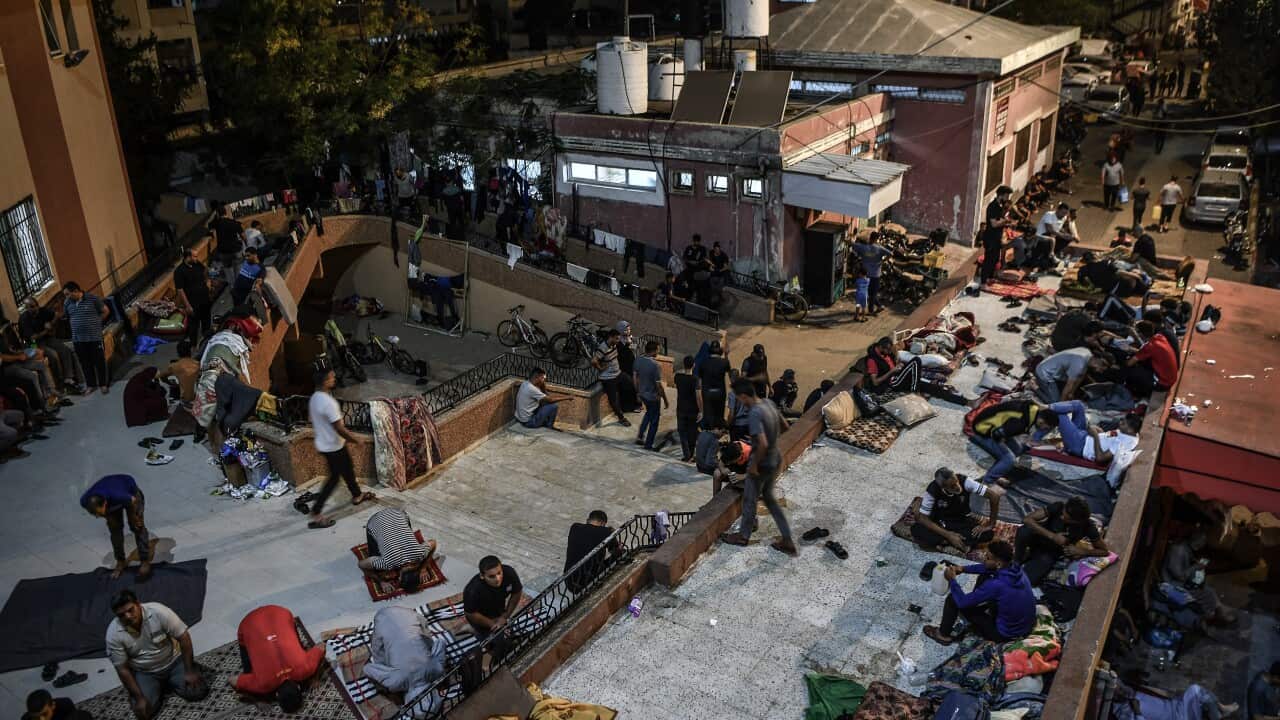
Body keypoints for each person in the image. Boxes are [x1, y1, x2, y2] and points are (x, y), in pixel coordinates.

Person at [719, 379, 796, 555]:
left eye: (739, 398)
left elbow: (761, 443)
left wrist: (753, 465)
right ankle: (787, 539)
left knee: (749, 498)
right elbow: (785, 426)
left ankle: (743, 535)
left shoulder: (754, 413)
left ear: (744, 396)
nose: (739, 402)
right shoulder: (768, 403)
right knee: (769, 499)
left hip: (762, 462)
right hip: (775, 457)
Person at [106, 590, 207, 719]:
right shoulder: (113, 634)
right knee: (145, 711)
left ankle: (172, 681)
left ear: (138, 604)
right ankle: (158, 687)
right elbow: (122, 669)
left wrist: (189, 670)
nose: (128, 617)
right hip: (144, 671)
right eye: (121, 615)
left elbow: (184, 637)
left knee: (198, 692)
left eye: (130, 610)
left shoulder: (159, 611)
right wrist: (139, 698)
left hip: (173, 661)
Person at [923, 540, 1036, 645]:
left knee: (953, 600)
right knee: (985, 575)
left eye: (987, 557)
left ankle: (943, 635)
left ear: (998, 563)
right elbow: (987, 567)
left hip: (1005, 634)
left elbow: (962, 602)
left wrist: (952, 580)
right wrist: (963, 569)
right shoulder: (1016, 568)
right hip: (1023, 625)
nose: (983, 558)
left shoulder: (996, 584)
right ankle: (976, 603)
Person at [306, 369, 375, 529]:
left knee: (347, 468)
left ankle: (357, 495)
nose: (334, 378)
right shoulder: (329, 403)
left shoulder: (314, 398)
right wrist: (356, 439)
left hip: (327, 443)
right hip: (333, 446)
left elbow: (310, 419)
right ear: (324, 381)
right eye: (331, 377)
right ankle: (316, 512)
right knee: (334, 478)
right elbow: (340, 428)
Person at [232, 605, 325, 711]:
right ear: (276, 695)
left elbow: (321, 646)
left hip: (280, 613)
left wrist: (314, 678)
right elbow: (232, 680)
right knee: (248, 673)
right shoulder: (262, 684)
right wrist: (257, 700)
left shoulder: (305, 668)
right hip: (249, 623)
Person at [364, 606, 447, 718]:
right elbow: (368, 668)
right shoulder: (396, 683)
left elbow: (440, 643)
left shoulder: (436, 670)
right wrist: (385, 670)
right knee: (382, 658)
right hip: (382, 618)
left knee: (422, 640)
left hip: (409, 613)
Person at [1015, 496, 1110, 585]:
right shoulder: (1058, 507)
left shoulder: (1088, 527)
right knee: (1024, 530)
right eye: (1062, 514)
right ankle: (1017, 559)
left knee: (1026, 581)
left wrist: (1082, 551)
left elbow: (1104, 551)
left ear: (1077, 521)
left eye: (1066, 518)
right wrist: (1052, 536)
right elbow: (1027, 519)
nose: (1061, 517)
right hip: (1038, 538)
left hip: (1050, 552)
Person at [910, 467, 1004, 551]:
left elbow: (994, 496)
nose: (957, 487)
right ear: (943, 487)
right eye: (952, 486)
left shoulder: (965, 481)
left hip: (960, 520)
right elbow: (923, 518)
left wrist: (991, 524)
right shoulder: (932, 490)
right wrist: (948, 535)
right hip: (940, 522)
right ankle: (953, 540)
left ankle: (944, 542)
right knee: (916, 529)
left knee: (988, 534)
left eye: (956, 482)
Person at [81, 474, 153, 580]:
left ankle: (145, 561)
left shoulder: (119, 495)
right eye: (94, 514)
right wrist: (107, 518)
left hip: (131, 494)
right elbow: (99, 511)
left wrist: (135, 518)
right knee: (115, 531)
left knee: (137, 527)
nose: (97, 517)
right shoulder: (84, 501)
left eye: (99, 514)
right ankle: (120, 561)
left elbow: (132, 501)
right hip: (111, 496)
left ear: (105, 504)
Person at [863, 336, 969, 405]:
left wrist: (897, 362)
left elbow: (894, 354)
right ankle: (915, 391)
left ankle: (965, 402)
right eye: (887, 350)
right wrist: (892, 371)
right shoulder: (872, 360)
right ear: (881, 347)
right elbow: (875, 382)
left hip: (898, 375)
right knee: (916, 361)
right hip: (892, 383)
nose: (889, 352)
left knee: (932, 387)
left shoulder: (886, 352)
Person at [1162, 530, 1236, 625]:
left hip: (1181, 582)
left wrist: (1197, 564)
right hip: (1171, 585)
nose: (1203, 545)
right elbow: (1179, 576)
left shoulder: (1186, 548)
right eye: (1202, 542)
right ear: (1197, 540)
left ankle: (1216, 612)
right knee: (1204, 594)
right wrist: (1195, 567)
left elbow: (1187, 566)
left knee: (1208, 590)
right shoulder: (1178, 550)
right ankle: (1209, 617)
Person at [1034, 401, 1141, 466]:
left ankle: (1035, 438)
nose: (1120, 423)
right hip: (1085, 436)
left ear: (1130, 430)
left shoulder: (1124, 442)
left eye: (1123, 423)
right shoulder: (1127, 433)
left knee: (1060, 416)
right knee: (1078, 405)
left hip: (1080, 446)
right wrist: (1099, 432)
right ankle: (1047, 407)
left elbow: (1100, 458)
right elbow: (1109, 436)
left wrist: (1095, 436)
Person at [358, 508, 438, 587]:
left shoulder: (420, 554)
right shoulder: (387, 564)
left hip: (398, 512)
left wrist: (423, 568)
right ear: (399, 577)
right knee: (377, 568)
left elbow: (433, 542)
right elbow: (361, 564)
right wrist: (381, 581)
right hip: (375, 521)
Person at [18, 298, 83, 393]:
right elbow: (33, 337)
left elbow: (56, 315)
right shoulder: (24, 319)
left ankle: (68, 378)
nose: (34, 309)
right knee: (53, 355)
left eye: (35, 306)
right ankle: (60, 384)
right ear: (26, 308)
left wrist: (51, 323)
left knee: (65, 350)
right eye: (30, 307)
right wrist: (46, 330)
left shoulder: (43, 311)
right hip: (33, 344)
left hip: (47, 338)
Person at [970, 398, 1042, 483]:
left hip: (987, 425)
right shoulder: (1021, 421)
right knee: (1009, 459)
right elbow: (997, 434)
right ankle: (987, 481)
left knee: (1017, 449)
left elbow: (1008, 429)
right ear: (1042, 421)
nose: (1042, 429)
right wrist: (1003, 444)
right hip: (982, 431)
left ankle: (999, 469)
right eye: (1046, 428)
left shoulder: (1032, 409)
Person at [62, 282, 111, 394]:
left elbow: (106, 311)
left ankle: (103, 384)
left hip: (94, 337)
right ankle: (91, 385)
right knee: (85, 363)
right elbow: (67, 316)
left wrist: (97, 322)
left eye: (67, 294)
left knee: (99, 362)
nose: (66, 297)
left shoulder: (92, 298)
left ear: (75, 291)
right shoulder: (67, 303)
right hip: (78, 339)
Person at [463, 556, 524, 638]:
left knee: (511, 636)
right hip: (480, 617)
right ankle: (474, 630)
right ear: (482, 576)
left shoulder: (509, 572)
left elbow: (517, 592)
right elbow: (470, 613)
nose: (497, 579)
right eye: (491, 576)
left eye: (499, 573)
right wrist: (492, 624)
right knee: (495, 643)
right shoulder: (472, 589)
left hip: (498, 610)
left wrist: (505, 616)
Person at [563, 510, 620, 593]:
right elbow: (615, 551)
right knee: (622, 554)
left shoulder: (575, 527)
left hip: (570, 580)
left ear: (588, 520)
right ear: (602, 523)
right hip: (587, 579)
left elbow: (590, 534)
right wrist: (612, 534)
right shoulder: (606, 532)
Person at [173, 248, 213, 346]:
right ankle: (193, 346)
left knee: (206, 322)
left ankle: (207, 343)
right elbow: (180, 290)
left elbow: (205, 272)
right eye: (194, 256)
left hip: (204, 300)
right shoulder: (179, 271)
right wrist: (187, 306)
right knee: (193, 327)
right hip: (193, 303)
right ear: (188, 257)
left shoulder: (197, 264)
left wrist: (208, 283)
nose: (197, 258)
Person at [1126, 320, 1178, 395]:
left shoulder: (1150, 346)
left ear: (1140, 333)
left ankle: (1137, 393)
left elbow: (1129, 363)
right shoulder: (1160, 337)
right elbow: (1143, 349)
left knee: (1131, 372)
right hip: (1170, 379)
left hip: (1163, 384)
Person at [591, 329, 630, 427]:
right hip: (608, 378)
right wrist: (600, 368)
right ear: (611, 337)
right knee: (613, 400)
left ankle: (628, 405)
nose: (618, 341)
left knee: (630, 382)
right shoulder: (603, 348)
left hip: (618, 374)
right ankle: (621, 418)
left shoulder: (614, 344)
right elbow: (594, 361)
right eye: (616, 339)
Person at [633, 340, 667, 450]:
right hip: (653, 397)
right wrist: (665, 399)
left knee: (648, 413)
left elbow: (635, 378)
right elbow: (659, 386)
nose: (659, 351)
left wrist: (637, 392)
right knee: (654, 421)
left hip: (642, 394)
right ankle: (648, 444)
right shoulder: (655, 365)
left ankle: (640, 435)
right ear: (653, 351)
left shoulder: (638, 360)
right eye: (658, 349)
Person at [850, 232, 893, 313]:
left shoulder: (863, 247)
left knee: (867, 293)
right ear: (877, 239)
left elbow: (851, 243)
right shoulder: (880, 248)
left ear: (870, 237)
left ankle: (876, 307)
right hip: (876, 274)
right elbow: (891, 254)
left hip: (865, 275)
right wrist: (883, 261)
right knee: (873, 293)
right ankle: (872, 309)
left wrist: (851, 236)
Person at [981, 186, 1015, 284]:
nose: (1008, 198)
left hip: (996, 237)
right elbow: (994, 224)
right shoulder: (993, 207)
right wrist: (1005, 221)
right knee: (989, 260)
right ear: (1002, 195)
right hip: (990, 237)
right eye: (1007, 195)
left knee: (995, 259)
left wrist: (1006, 222)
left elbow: (999, 220)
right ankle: (983, 281)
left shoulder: (1000, 206)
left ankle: (990, 277)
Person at [697, 341, 730, 428]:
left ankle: (708, 431)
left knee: (708, 415)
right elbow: (728, 370)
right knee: (719, 414)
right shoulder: (724, 362)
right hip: (720, 392)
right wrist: (726, 354)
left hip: (707, 392)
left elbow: (699, 383)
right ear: (719, 350)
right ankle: (718, 431)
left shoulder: (703, 363)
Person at [674, 355, 701, 462]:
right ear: (694, 365)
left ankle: (687, 455)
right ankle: (691, 454)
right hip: (693, 410)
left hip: (681, 408)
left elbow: (680, 374)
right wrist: (701, 411)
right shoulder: (695, 380)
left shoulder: (678, 377)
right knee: (692, 432)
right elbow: (698, 397)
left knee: (682, 433)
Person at [209, 205, 245, 282]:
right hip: (236, 250)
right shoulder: (234, 222)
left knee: (229, 274)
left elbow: (206, 225)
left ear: (218, 214)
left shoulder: (217, 224)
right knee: (238, 271)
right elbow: (243, 236)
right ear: (226, 213)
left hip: (224, 252)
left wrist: (214, 215)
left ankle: (233, 288)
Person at [24, 689, 91, 720]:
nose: (42, 719)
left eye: (45, 714)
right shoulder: (27, 718)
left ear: (53, 705)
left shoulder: (65, 706)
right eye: (36, 718)